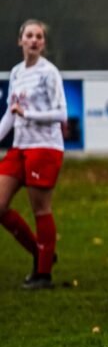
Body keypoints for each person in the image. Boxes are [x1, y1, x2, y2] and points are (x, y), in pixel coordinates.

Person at [0, 19, 66, 290]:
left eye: (39, 36)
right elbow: (10, 114)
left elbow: (61, 113)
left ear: (43, 43)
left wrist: (28, 114)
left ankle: (43, 274)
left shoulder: (49, 73)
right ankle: (42, 254)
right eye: (29, 35)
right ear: (20, 41)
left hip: (45, 147)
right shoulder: (16, 72)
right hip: (20, 147)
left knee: (40, 209)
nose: (34, 40)